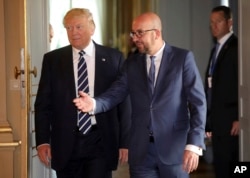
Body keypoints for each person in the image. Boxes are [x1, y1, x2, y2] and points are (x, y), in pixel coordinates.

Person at [74, 12, 206, 178]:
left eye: (139, 33)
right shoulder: (132, 63)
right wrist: (94, 104)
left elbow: (198, 103)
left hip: (174, 150)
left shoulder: (183, 58)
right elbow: (116, 93)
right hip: (141, 152)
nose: (134, 38)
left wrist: (194, 144)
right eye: (133, 33)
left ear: (156, 33)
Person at [35, 8, 131, 178]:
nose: (73, 32)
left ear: (92, 28)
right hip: (65, 142)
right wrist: (42, 141)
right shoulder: (53, 60)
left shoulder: (113, 58)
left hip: (100, 139)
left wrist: (125, 142)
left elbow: (124, 103)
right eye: (69, 28)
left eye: (79, 27)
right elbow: (43, 104)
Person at [205, 6, 238, 178]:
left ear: (229, 22)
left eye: (218, 21)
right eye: (211, 22)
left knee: (234, 167)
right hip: (217, 122)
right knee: (220, 167)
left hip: (231, 123)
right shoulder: (215, 49)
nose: (214, 26)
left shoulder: (237, 48)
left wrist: (240, 118)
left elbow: (242, 86)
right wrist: (208, 121)